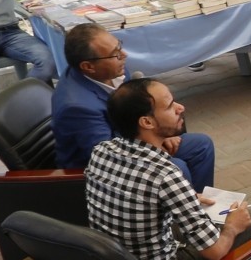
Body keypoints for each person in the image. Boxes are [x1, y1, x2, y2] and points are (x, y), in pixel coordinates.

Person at [85, 79, 251, 260]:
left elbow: (134, 194)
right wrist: (232, 228)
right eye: (170, 106)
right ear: (147, 122)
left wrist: (186, 198)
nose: (181, 108)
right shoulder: (165, 174)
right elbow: (215, 251)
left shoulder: (102, 150)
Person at [52, 24, 215, 191]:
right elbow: (109, 155)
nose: (124, 55)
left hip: (132, 139)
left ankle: (200, 201)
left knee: (201, 145)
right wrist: (157, 139)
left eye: (119, 46)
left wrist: (163, 134)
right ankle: (184, 204)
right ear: (88, 66)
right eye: (115, 54)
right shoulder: (78, 107)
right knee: (176, 168)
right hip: (99, 171)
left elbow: (135, 108)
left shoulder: (109, 71)